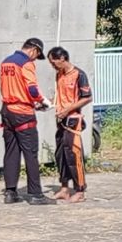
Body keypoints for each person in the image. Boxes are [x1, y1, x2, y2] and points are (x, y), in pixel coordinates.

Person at [0, 38, 52, 205]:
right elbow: (32, 88)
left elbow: (10, 88)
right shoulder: (26, 64)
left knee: (11, 152)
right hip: (23, 113)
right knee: (30, 153)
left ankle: (10, 192)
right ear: (33, 50)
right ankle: (36, 194)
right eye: (37, 55)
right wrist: (43, 101)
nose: (35, 58)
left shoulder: (5, 62)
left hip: (7, 111)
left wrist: (31, 101)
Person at [47, 47, 93, 203]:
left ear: (62, 58)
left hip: (73, 119)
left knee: (74, 155)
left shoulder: (79, 75)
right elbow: (60, 94)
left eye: (54, 62)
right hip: (60, 119)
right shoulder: (59, 75)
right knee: (61, 155)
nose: (53, 65)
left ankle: (80, 190)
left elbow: (87, 97)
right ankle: (64, 188)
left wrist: (68, 109)